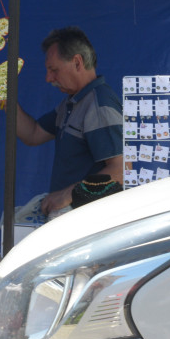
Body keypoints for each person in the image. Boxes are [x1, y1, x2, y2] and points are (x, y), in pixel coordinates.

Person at [16, 27, 123, 215]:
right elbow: (32, 134)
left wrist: (68, 194)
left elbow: (121, 171)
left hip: (88, 222)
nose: (49, 78)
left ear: (77, 62)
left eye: (54, 70)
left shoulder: (99, 104)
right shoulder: (71, 103)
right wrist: (7, 101)